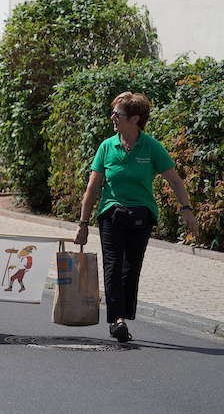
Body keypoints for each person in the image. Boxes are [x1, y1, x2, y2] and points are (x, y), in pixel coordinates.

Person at [74, 91, 199, 343]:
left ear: (134, 119)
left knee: (131, 268)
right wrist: (83, 224)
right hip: (111, 214)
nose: (113, 117)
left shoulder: (151, 147)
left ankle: (124, 312)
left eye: (118, 114)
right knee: (113, 265)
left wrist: (187, 210)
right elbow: (92, 187)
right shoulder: (107, 146)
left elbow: (174, 180)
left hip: (141, 216)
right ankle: (117, 319)